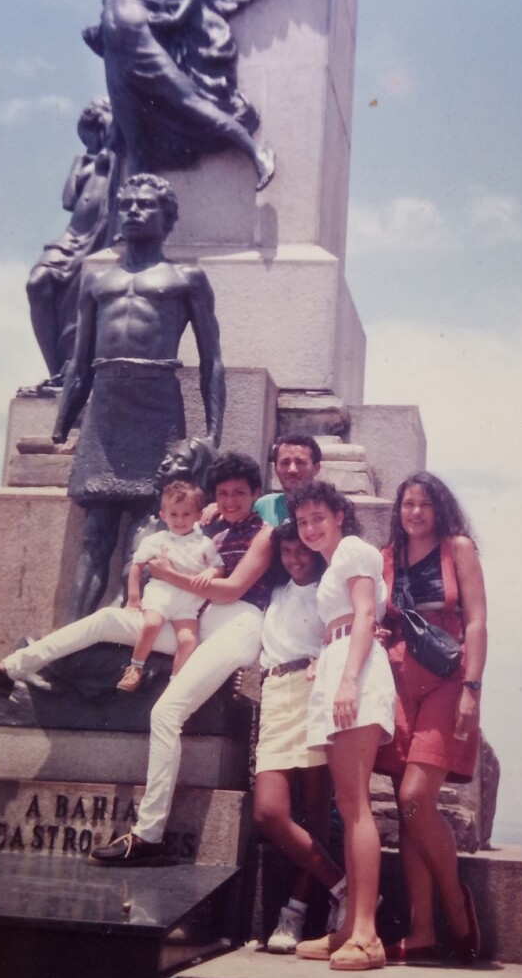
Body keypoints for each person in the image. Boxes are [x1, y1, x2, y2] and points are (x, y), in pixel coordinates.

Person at [0, 453, 274, 862]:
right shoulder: (212, 527)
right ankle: (10, 668)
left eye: (239, 493)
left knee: (166, 714)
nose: (230, 500)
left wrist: (168, 575)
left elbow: (230, 590)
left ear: (255, 493)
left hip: (238, 623)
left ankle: (148, 836)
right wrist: (208, 515)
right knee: (107, 619)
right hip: (199, 616)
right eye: (224, 493)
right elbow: (196, 525)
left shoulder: (265, 534)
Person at [53, 172, 225, 620]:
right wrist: (62, 422)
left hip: (157, 404)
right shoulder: (96, 282)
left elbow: (212, 361)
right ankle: (73, 632)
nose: (132, 211)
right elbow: (79, 361)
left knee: (149, 527)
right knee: (96, 531)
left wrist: (213, 435)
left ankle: (124, 623)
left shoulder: (187, 278)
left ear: (167, 218)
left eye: (144, 204)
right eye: (125, 204)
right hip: (106, 409)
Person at [377, 473, 487, 964]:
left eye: (424, 504)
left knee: (415, 797)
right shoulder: (388, 556)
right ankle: (421, 931)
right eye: (408, 504)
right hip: (400, 681)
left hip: (446, 679)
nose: (415, 512)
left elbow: (477, 621)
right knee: (408, 814)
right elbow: (383, 618)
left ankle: (454, 901)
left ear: (439, 509)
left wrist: (472, 689)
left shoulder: (458, 548)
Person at [290, 481, 396, 972]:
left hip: (356, 671)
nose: (310, 528)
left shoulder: (353, 549)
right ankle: (349, 927)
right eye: (302, 521)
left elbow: (366, 613)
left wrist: (350, 679)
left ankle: (367, 935)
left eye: (319, 518)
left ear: (338, 516)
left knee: (356, 805)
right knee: (348, 804)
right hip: (336, 665)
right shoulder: (330, 565)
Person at [86, 0, 275, 190]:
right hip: (115, 61)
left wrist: (177, 17)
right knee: (132, 139)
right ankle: (134, 201)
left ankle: (257, 152)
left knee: (193, 104)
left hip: (143, 49)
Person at [254, 520, 346, 954]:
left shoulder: (329, 591)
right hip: (275, 694)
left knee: (315, 814)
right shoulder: (274, 592)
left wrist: (324, 659)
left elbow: (346, 633)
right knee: (269, 813)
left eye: (301, 551)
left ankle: (295, 912)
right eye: (287, 552)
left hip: (313, 693)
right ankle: (345, 889)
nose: (294, 559)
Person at [23, 98, 113, 389]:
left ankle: (71, 371)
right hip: (73, 236)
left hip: (101, 233)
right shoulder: (85, 161)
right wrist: (83, 162)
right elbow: (68, 200)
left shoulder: (122, 152)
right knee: (37, 283)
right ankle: (56, 371)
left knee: (85, 301)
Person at [117, 480, 223, 690]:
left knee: (188, 640)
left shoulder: (204, 544)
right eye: (174, 514)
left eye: (186, 514)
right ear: (163, 515)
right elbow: (137, 565)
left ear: (197, 515)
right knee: (152, 624)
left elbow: (218, 567)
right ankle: (135, 667)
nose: (180, 520)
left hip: (188, 601)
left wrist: (210, 572)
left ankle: (175, 683)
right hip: (161, 593)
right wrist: (133, 598)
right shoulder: (157, 539)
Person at [253, 434, 323, 527]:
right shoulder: (263, 506)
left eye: (300, 462)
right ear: (275, 468)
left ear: (316, 468)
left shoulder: (329, 508)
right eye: (285, 463)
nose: (292, 470)